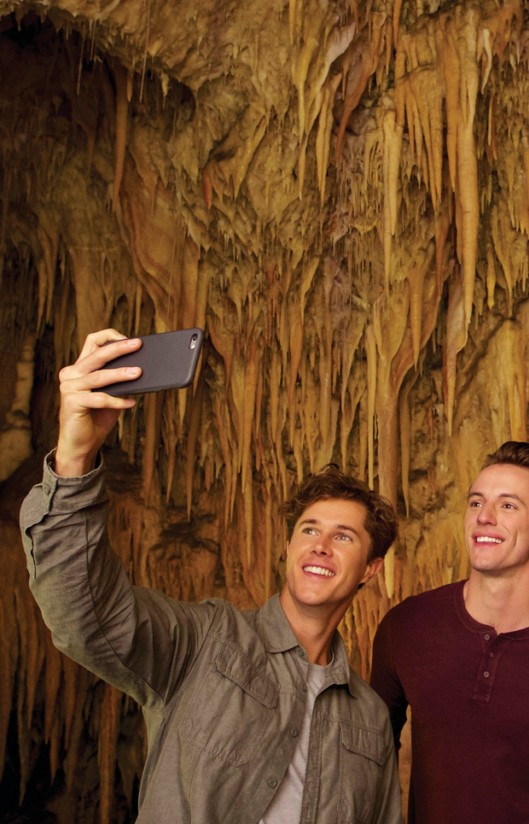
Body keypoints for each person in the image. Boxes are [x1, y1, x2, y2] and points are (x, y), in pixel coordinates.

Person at [20, 330, 402, 824]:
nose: (320, 545)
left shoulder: (369, 718)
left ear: (371, 570)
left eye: (344, 537)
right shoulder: (202, 642)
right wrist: (74, 462)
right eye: (309, 529)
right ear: (288, 547)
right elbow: (85, 615)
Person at [370, 440, 529, 824]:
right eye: (476, 502)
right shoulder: (407, 627)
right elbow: (368, 761)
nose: (484, 517)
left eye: (507, 505)